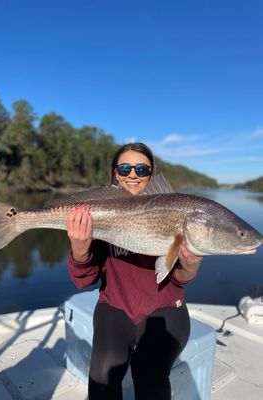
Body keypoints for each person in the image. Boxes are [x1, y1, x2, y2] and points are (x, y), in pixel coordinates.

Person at [67, 142, 203, 400]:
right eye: (125, 168)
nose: (133, 174)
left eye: (142, 169)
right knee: (102, 375)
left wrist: (191, 263)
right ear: (115, 174)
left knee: (151, 376)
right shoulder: (97, 214)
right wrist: (80, 249)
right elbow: (84, 280)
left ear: (151, 176)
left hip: (166, 309)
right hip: (114, 307)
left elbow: (181, 278)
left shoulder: (176, 212)